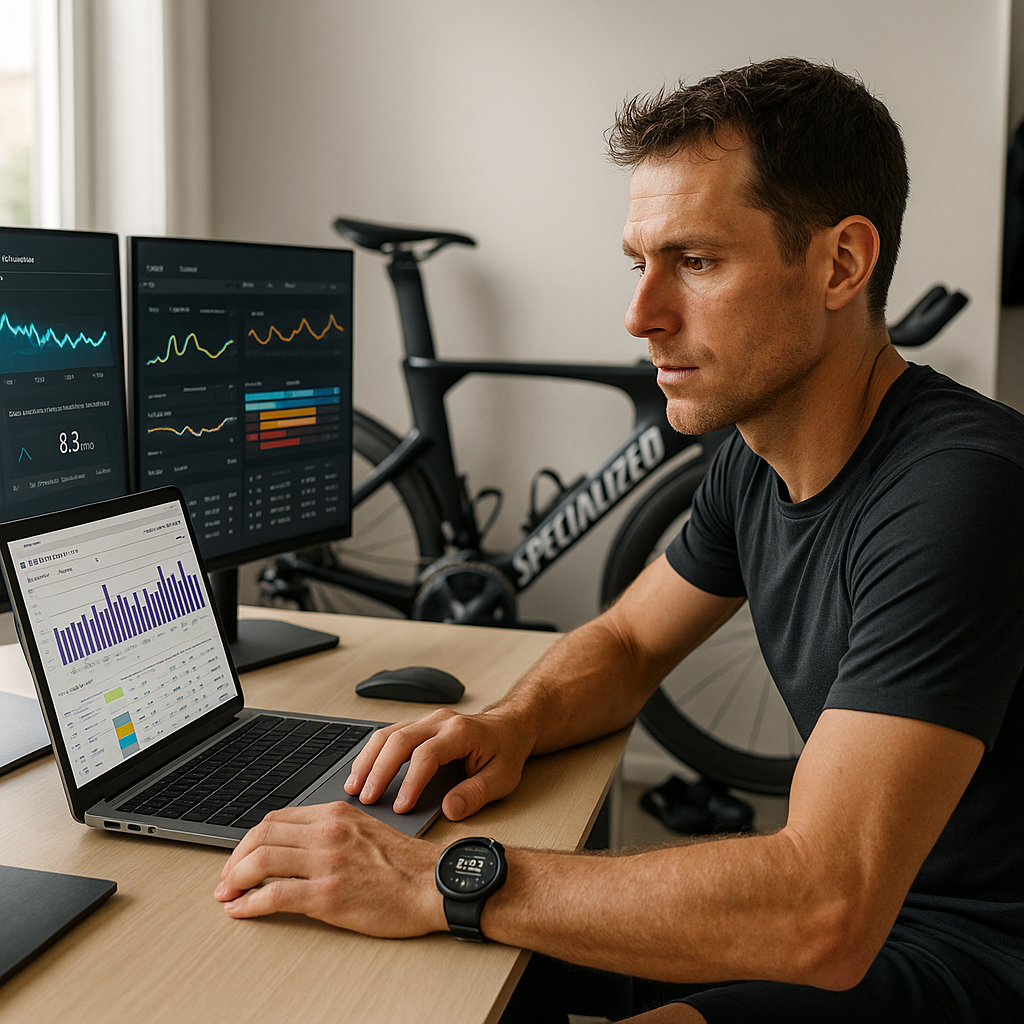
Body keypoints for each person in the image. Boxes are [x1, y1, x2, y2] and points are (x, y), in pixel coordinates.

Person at [214, 58, 1024, 1022]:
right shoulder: (753, 457)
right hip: (870, 915)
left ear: (841, 264)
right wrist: (510, 725)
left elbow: (823, 907)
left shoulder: (961, 490)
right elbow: (631, 643)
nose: (641, 316)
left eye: (697, 261)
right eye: (639, 263)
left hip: (972, 951)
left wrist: (441, 876)